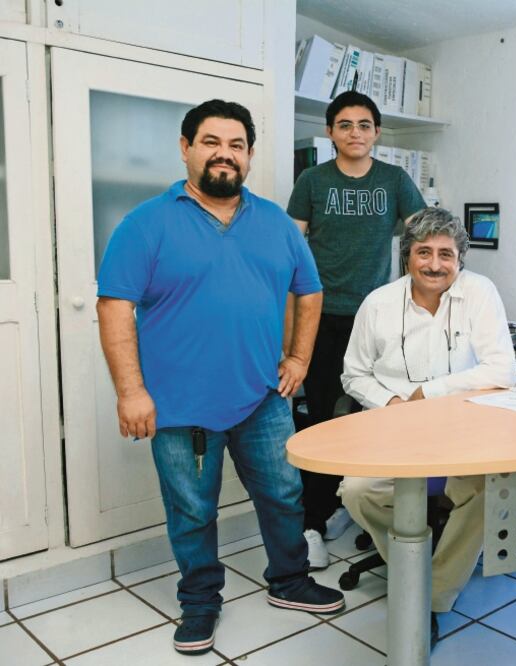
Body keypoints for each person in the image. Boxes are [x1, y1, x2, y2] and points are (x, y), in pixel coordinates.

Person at [96, 99, 345, 656]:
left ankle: (289, 580)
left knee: (283, 495)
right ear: (186, 148)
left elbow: (310, 291)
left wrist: (299, 360)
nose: (224, 154)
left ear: (250, 156)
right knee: (191, 511)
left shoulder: (276, 224)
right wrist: (131, 391)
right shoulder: (146, 224)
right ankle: (201, 601)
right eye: (211, 142)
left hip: (261, 397)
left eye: (236, 145)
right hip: (179, 407)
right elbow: (114, 306)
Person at [339, 207, 516, 645]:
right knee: (358, 492)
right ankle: (414, 570)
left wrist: (428, 393)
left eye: (446, 254)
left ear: (461, 260)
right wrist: (396, 402)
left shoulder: (480, 293)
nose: (435, 264)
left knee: (487, 490)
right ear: (407, 257)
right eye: (424, 252)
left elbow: (502, 370)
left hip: (463, 431)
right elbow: (353, 375)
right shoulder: (378, 304)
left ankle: (431, 595)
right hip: (390, 430)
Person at [287, 90, 426, 568]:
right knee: (324, 419)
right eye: (344, 125)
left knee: (381, 415)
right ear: (330, 132)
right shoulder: (312, 179)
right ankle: (314, 522)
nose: (355, 133)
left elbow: (425, 234)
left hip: (378, 319)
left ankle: (373, 508)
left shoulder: (394, 179)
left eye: (364, 125)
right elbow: (292, 245)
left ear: (377, 133)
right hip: (321, 316)